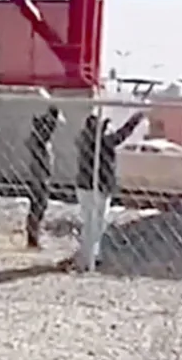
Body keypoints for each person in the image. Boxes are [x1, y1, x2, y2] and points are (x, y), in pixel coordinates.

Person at [73, 110, 146, 270]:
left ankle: (91, 255)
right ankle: (87, 258)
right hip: (97, 187)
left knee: (93, 223)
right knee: (96, 223)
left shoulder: (85, 140)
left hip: (87, 186)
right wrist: (136, 119)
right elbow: (121, 135)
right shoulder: (102, 142)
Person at [24, 106, 64, 249]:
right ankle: (32, 236)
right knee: (38, 205)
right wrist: (52, 120)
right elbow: (45, 133)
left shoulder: (40, 142)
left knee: (40, 205)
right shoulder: (38, 141)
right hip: (39, 177)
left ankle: (34, 234)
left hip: (42, 176)